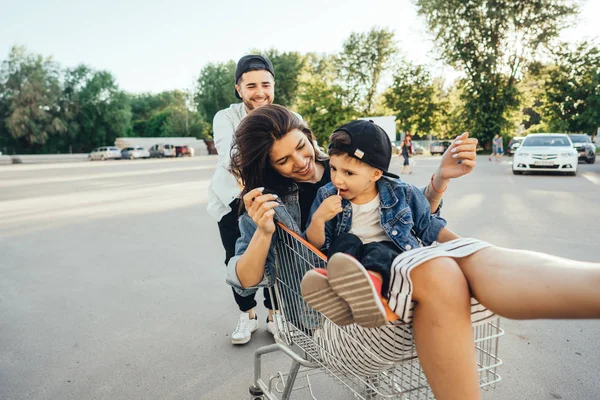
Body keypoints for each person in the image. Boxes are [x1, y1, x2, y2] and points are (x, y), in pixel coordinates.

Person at [228, 105, 600, 400]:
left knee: (449, 262)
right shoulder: (267, 203)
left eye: (301, 146)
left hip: (402, 296)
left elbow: (409, 216)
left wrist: (440, 181)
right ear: (267, 166)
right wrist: (263, 231)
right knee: (437, 270)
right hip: (335, 323)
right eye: (284, 160)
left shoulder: (350, 159)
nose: (302, 161)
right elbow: (245, 283)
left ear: (308, 136)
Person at [301, 120, 466, 328]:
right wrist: (319, 219)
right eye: (333, 169)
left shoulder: (401, 193)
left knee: (380, 248)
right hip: (349, 268)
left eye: (348, 173)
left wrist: (464, 246)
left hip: (391, 269)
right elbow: (316, 245)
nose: (337, 180)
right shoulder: (326, 195)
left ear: (376, 174)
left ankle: (372, 289)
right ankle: (338, 289)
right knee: (345, 241)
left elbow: (428, 225)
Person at [207, 54, 282, 345]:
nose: (260, 91)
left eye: (266, 84)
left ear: (274, 85)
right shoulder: (225, 117)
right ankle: (247, 315)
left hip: (275, 200)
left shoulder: (288, 117)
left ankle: (275, 315)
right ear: (239, 89)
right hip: (232, 200)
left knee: (276, 259)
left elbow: (307, 152)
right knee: (237, 259)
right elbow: (232, 154)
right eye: (251, 86)